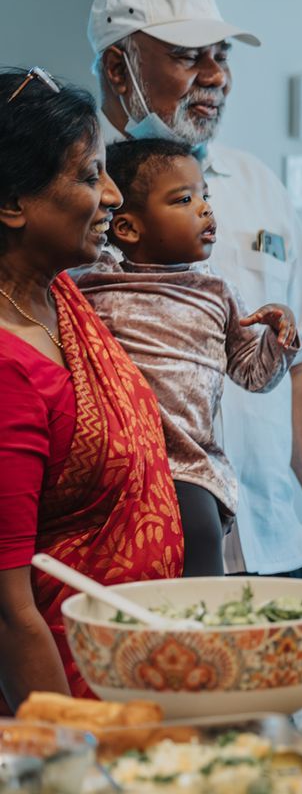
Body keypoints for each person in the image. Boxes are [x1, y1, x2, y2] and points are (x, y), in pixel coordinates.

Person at [88, 0, 302, 593]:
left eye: (220, 56)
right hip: (137, 557)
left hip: (275, 546)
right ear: (117, 68)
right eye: (188, 57)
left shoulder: (257, 183)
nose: (215, 76)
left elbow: (298, 371)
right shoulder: (73, 199)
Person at [0, 69, 183, 706]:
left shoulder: (59, 294)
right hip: (68, 694)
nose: (111, 195)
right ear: (12, 203)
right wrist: (67, 756)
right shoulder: (7, 369)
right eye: (87, 176)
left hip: (135, 670)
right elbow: (7, 611)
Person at [75, 138, 300, 577]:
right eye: (183, 199)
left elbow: (253, 375)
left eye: (204, 196)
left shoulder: (216, 293)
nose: (204, 209)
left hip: (187, 464)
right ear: (128, 229)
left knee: (198, 544)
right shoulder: (93, 281)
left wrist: (276, 341)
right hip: (117, 466)